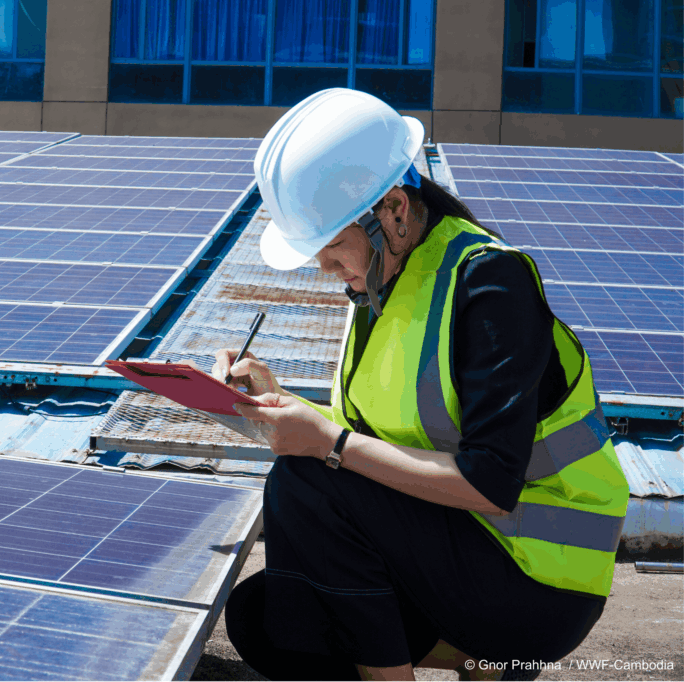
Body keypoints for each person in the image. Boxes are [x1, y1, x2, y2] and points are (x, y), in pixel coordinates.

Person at [214, 89, 629, 682]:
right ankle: (478, 660)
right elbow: (375, 444)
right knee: (271, 618)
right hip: (462, 550)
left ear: (395, 212)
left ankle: (463, 659)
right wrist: (278, 401)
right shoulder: (382, 290)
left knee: (306, 480)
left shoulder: (489, 285)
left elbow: (488, 483)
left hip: (540, 580)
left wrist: (325, 444)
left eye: (331, 245)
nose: (324, 268)